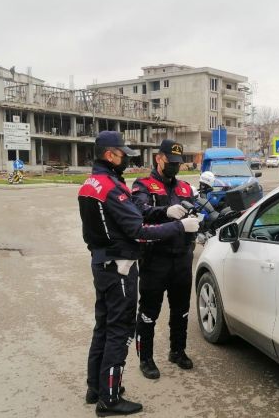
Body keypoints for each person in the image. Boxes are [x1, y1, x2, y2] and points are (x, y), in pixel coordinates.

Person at [78, 131, 199, 416]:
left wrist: (168, 213)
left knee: (104, 327)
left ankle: (96, 387)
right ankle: (109, 399)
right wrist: (181, 226)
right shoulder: (114, 187)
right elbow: (138, 228)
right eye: (123, 155)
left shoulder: (91, 183)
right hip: (120, 267)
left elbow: (131, 216)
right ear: (110, 155)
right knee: (119, 331)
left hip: (103, 262)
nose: (127, 159)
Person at [131, 139, 197, 380]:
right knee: (149, 311)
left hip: (181, 258)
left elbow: (196, 212)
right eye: (171, 162)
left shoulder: (185, 188)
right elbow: (139, 211)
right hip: (154, 259)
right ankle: (146, 358)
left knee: (181, 310)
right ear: (159, 158)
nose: (175, 167)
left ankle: (177, 351)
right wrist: (165, 211)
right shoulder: (143, 185)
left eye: (178, 163)